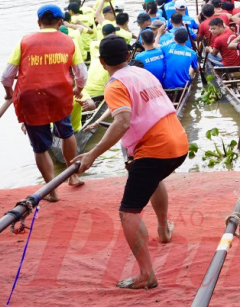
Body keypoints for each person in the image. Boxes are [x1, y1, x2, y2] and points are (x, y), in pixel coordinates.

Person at [72, 35, 189, 289]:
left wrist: (92, 155)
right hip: (178, 142)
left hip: (156, 148)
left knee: (129, 212)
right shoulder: (141, 72)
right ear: (128, 56)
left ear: (102, 63)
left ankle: (146, 273)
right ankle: (163, 229)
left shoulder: (114, 85)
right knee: (152, 178)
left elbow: (122, 122)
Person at [2, 4, 88, 198]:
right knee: (66, 133)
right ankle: (72, 176)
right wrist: (78, 90)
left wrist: (9, 93)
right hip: (60, 95)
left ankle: (51, 190)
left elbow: (7, 76)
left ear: (38, 22)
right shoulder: (69, 41)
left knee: (40, 147)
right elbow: (81, 74)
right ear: (60, 23)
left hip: (31, 97)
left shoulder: (24, 42)